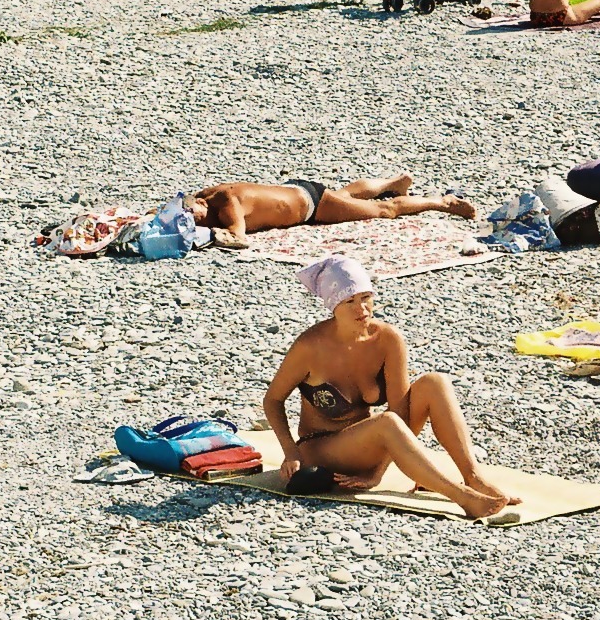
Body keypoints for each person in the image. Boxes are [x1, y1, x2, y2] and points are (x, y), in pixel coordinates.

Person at [262, 256, 517, 519]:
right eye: (349, 301)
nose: (361, 309)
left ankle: (473, 477)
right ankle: (463, 497)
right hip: (320, 449)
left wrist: (377, 472)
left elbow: (400, 411)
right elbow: (273, 400)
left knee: (435, 383)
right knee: (386, 423)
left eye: (366, 297)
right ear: (333, 306)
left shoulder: (387, 339)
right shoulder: (310, 346)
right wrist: (290, 451)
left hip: (369, 443)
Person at [185, 174, 475, 247]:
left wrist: (203, 237)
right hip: (298, 191)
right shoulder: (206, 196)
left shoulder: (225, 201)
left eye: (193, 216)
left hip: (312, 206)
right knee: (345, 195)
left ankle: (442, 202)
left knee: (384, 210)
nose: (194, 221)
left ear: (201, 203)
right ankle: (394, 183)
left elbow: (238, 237)